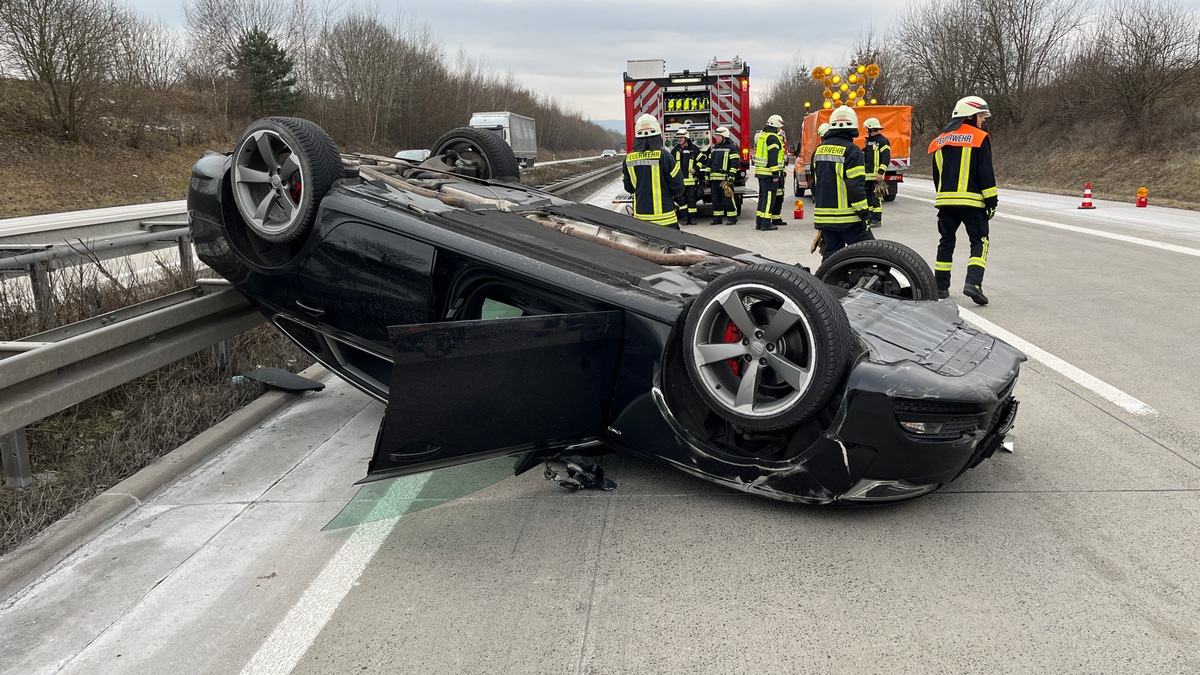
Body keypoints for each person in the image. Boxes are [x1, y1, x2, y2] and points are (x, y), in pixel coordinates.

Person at [928, 95, 998, 304]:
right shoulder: (979, 138)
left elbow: (936, 175)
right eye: (980, 115)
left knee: (946, 242)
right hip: (972, 204)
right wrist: (991, 202)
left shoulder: (939, 140)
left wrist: (944, 197)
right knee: (980, 242)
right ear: (969, 116)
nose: (983, 119)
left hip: (945, 203)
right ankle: (973, 284)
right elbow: (985, 172)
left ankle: (940, 287)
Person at [811, 106, 872, 259]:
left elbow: (813, 184)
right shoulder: (852, 151)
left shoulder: (818, 150)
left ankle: (825, 282)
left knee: (831, 259)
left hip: (824, 218)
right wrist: (864, 214)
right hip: (849, 219)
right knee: (869, 254)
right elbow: (855, 187)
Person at [623, 113, 684, 229]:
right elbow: (678, 187)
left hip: (641, 221)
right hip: (666, 220)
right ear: (657, 134)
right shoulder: (665, 157)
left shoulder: (628, 158)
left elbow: (629, 188)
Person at [753, 114, 786, 230]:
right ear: (776, 126)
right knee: (769, 199)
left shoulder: (763, 136)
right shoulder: (773, 138)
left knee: (762, 197)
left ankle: (759, 222)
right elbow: (773, 157)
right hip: (769, 173)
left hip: (761, 172)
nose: (780, 129)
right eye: (779, 127)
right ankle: (766, 223)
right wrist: (775, 173)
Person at [707, 126, 739, 225]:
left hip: (725, 179)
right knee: (715, 199)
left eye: (718, 136)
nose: (716, 138)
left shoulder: (732, 148)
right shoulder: (714, 148)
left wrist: (731, 175)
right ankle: (718, 218)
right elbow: (709, 162)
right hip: (714, 178)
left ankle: (732, 218)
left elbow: (735, 163)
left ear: (724, 137)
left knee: (728, 198)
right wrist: (706, 174)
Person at [863, 117, 891, 228]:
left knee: (876, 198)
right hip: (867, 176)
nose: (865, 130)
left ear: (870, 128)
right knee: (868, 198)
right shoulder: (868, 141)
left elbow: (885, 158)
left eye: (866, 128)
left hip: (876, 175)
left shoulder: (883, 141)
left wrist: (881, 172)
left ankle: (876, 220)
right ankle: (870, 218)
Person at [671, 129, 702, 225]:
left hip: (691, 181)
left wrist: (695, 169)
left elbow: (702, 160)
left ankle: (693, 219)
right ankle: (684, 219)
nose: (679, 139)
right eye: (678, 138)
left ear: (686, 138)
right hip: (680, 181)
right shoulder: (675, 150)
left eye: (681, 137)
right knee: (682, 201)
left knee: (691, 200)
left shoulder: (694, 149)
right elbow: (671, 165)